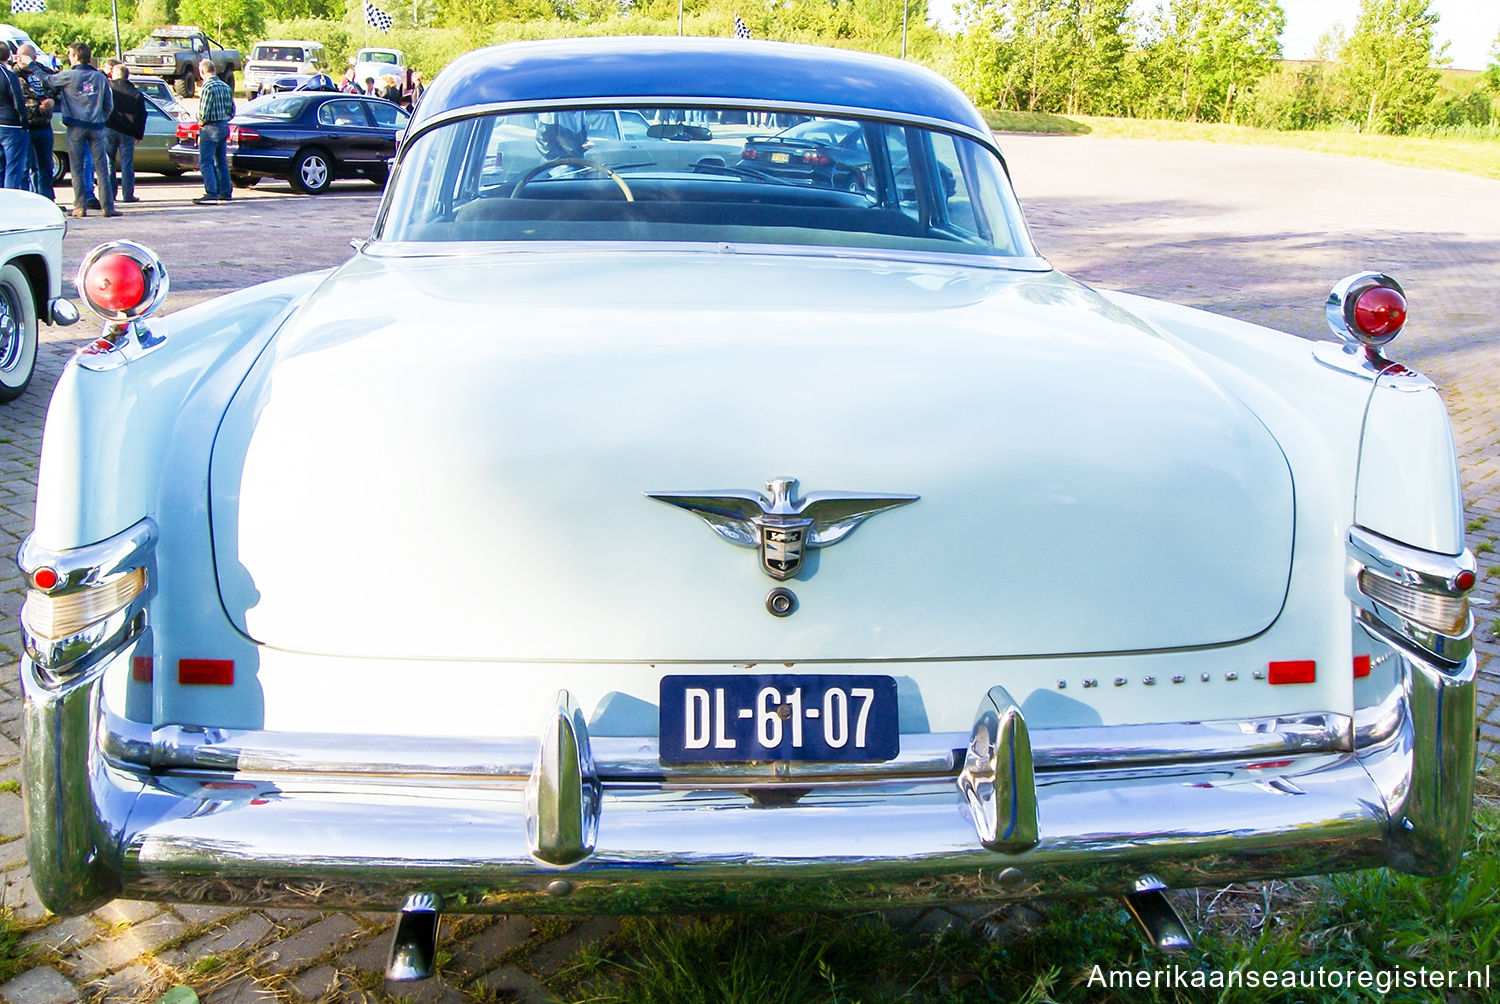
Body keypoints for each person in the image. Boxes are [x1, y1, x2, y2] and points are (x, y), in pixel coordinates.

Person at [44, 41, 117, 217]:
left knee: (76, 168)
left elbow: (47, 81)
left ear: (76, 56)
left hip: (76, 126)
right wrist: (101, 119)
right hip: (97, 127)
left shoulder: (68, 76)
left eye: (70, 54)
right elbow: (109, 104)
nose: (68, 57)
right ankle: (107, 207)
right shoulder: (100, 77)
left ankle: (79, 206)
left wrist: (31, 64)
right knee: (102, 168)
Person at [14, 43, 56, 198]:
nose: (20, 60)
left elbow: (56, 87)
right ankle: (26, 199)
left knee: (45, 166)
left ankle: (47, 198)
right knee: (26, 167)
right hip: (25, 127)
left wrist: (52, 101)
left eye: (24, 57)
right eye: (18, 57)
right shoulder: (13, 75)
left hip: (44, 125)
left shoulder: (42, 72)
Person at [104, 61, 146, 204]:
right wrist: (139, 134)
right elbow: (142, 115)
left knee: (109, 162)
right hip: (128, 133)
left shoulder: (108, 89)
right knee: (126, 164)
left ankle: (110, 194)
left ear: (115, 75)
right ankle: (128, 195)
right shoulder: (136, 93)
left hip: (108, 129)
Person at [193, 58, 233, 205]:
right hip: (223, 125)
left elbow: (203, 112)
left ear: (202, 71)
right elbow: (232, 110)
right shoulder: (225, 86)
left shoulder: (207, 87)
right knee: (221, 161)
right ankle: (225, 191)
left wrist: (200, 121)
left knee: (205, 162)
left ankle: (211, 191)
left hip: (210, 128)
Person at [0, 41, 31, 190]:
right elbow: (18, 102)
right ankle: (10, 202)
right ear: (8, 56)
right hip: (11, 125)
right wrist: (24, 123)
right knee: (13, 169)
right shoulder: (8, 75)